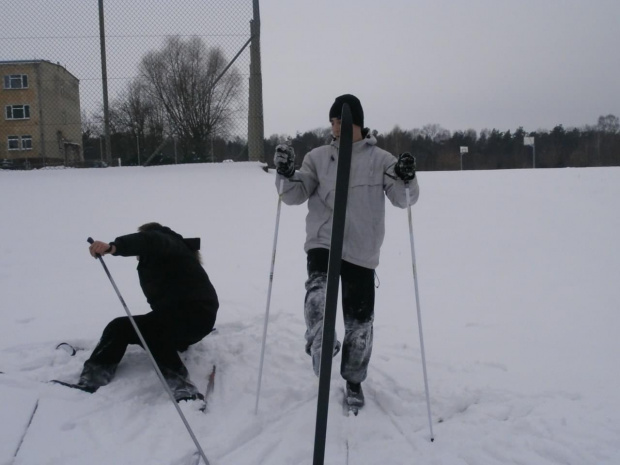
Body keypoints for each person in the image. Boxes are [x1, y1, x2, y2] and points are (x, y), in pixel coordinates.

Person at [273, 94, 419, 410]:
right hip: (324, 242)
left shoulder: (381, 159)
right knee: (317, 296)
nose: (333, 127)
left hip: (361, 249)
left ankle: (353, 380)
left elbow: (403, 198)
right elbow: (294, 194)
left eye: (337, 121)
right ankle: (322, 343)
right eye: (332, 122)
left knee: (360, 322)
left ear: (353, 121)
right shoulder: (318, 157)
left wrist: (407, 177)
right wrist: (285, 174)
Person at [66, 222, 219, 403]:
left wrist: (113, 247)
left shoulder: (167, 243)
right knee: (122, 328)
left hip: (194, 316)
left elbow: (151, 241)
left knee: (151, 331)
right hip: (185, 320)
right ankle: (95, 375)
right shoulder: (164, 259)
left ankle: (184, 390)